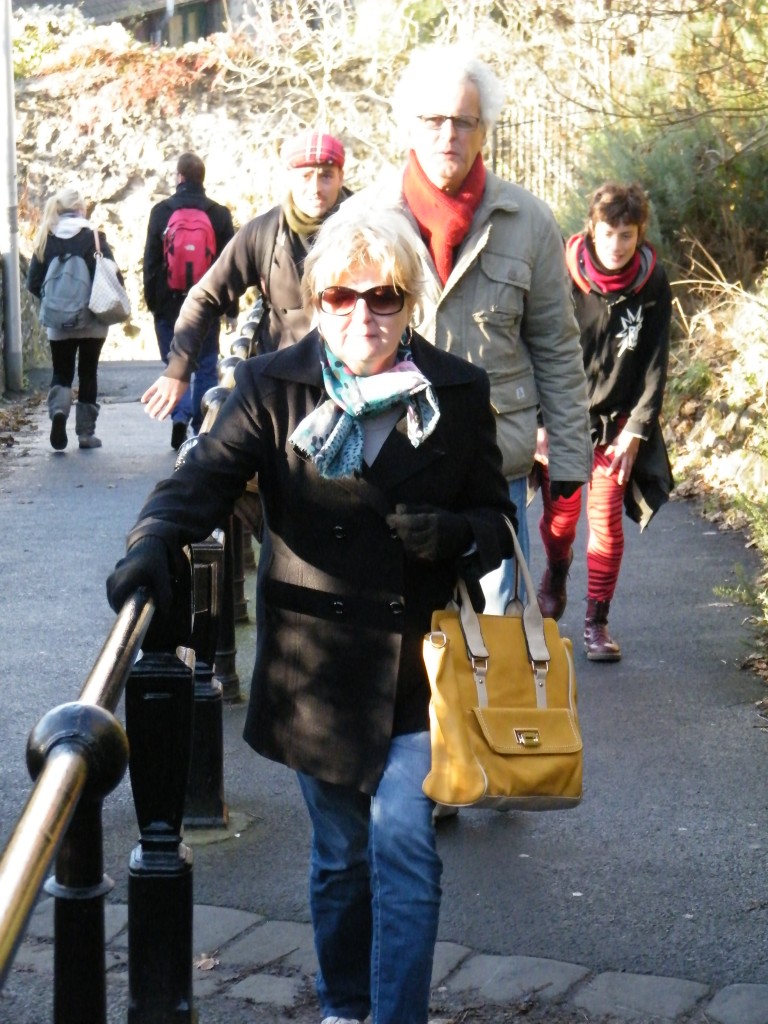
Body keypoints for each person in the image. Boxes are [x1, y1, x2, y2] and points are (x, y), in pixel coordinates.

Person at [106, 206, 516, 1024]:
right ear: (316, 298)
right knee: (338, 858)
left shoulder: (458, 392)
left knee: (404, 845)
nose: (362, 316)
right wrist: (154, 539)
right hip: (314, 669)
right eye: (340, 296)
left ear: (412, 300)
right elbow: (204, 480)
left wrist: (455, 533)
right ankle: (343, 1007)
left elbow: (499, 519)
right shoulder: (272, 385)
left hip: (417, 670)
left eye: (385, 297)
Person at [350, 44, 593, 613]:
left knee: (494, 650)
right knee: (400, 647)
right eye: (434, 120)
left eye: (465, 121)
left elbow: (557, 345)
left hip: (492, 474)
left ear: (484, 131)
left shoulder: (527, 221)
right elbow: (331, 342)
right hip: (389, 464)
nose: (448, 135)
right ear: (409, 125)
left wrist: (570, 462)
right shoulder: (366, 217)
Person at [536, 181, 673, 661]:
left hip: (618, 423)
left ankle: (597, 622)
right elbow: (538, 343)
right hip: (564, 414)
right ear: (592, 230)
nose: (617, 245)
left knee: (607, 521)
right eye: (608, 233)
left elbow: (656, 360)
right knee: (561, 520)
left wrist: (638, 427)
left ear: (639, 235)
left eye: (627, 235)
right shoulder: (561, 273)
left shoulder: (653, 282)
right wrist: (540, 419)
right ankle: (556, 571)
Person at [140, 131, 351, 425]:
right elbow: (205, 296)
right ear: (289, 177)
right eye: (305, 177)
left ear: (341, 176)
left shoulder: (367, 230)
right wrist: (179, 367)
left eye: (326, 176)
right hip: (284, 392)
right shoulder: (264, 233)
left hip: (354, 392)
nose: (315, 188)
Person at [143, 151, 237, 450]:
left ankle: (179, 415)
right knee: (207, 365)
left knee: (175, 361)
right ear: (202, 178)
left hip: (170, 303)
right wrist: (231, 309)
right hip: (207, 303)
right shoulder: (218, 214)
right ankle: (202, 427)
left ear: (179, 177)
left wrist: (153, 302)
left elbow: (151, 262)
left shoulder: (161, 211)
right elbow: (230, 265)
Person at [26, 185, 122, 451]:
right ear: (81, 209)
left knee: (62, 370)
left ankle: (59, 414)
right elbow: (114, 277)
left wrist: (55, 302)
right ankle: (85, 435)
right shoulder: (94, 238)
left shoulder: (46, 239)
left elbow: (33, 281)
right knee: (88, 372)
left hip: (58, 322)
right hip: (92, 320)